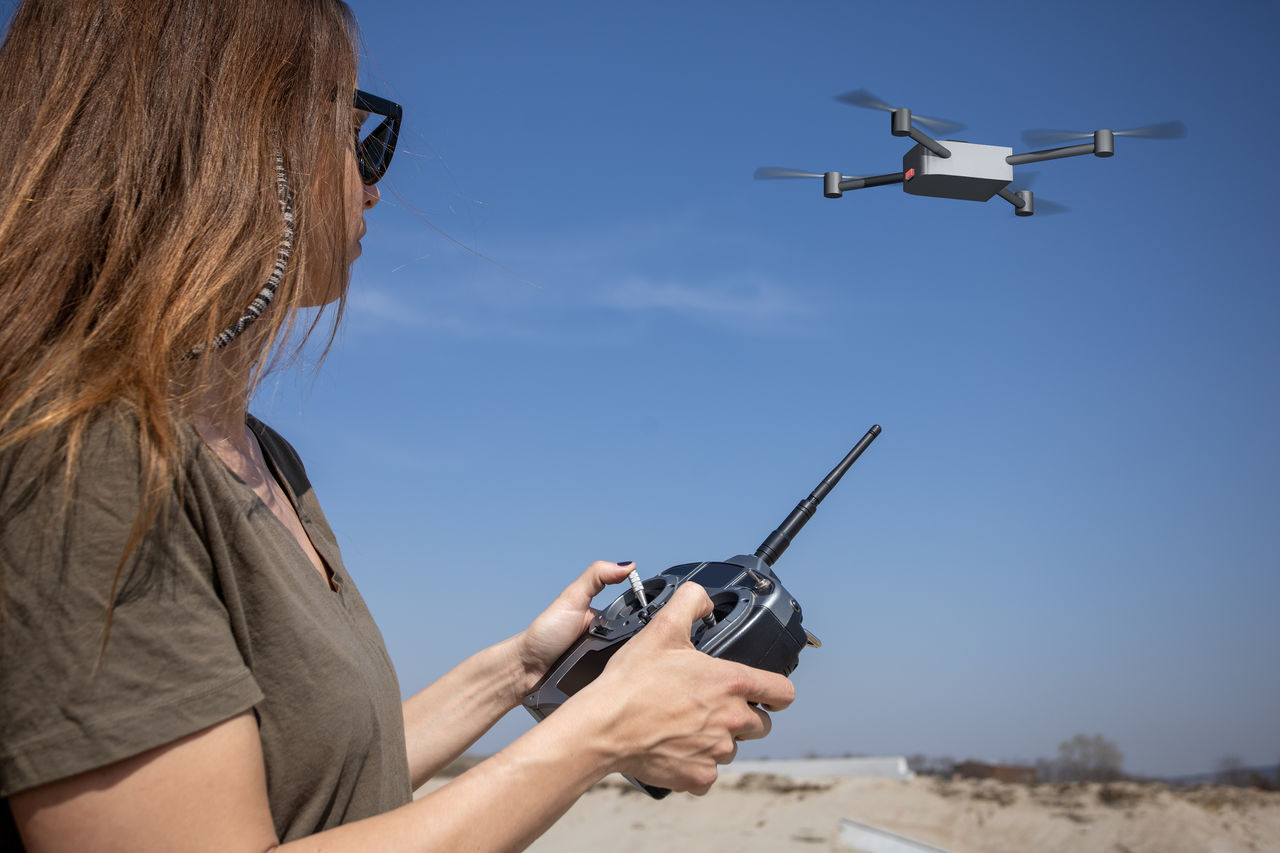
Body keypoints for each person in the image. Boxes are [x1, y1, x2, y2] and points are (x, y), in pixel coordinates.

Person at [0, 1, 795, 850]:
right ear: (241, 143)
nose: (374, 180)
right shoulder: (82, 458)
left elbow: (334, 785)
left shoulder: (262, 455)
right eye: (352, 128)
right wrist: (600, 730)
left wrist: (522, 671)